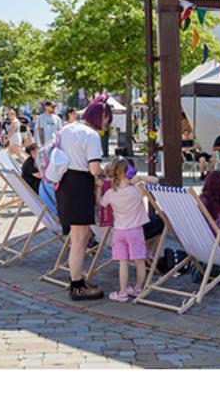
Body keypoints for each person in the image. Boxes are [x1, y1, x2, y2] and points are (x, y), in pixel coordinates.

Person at [55, 98, 106, 300]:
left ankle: (77, 279)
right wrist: (104, 173)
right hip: (80, 185)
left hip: (65, 183)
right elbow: (94, 168)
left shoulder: (67, 128)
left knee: (80, 237)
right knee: (79, 239)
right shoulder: (92, 135)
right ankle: (76, 284)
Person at [98, 157, 160, 302]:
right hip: (136, 231)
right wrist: (139, 178)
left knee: (123, 263)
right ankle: (138, 289)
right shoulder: (138, 189)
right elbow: (156, 180)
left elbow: (100, 203)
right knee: (139, 261)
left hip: (119, 231)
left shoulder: (111, 193)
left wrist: (98, 188)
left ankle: (122, 292)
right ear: (130, 172)